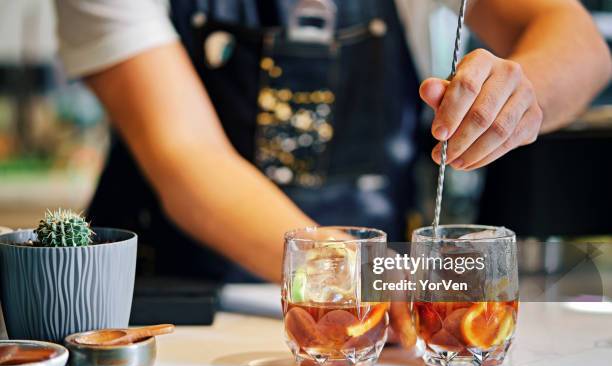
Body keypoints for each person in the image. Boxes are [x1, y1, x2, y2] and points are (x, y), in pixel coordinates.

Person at [55, 0, 610, 283]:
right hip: (174, 303)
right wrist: (352, 274)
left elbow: (577, 39)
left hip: (372, 303)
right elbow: (186, 156)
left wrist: (521, 92)